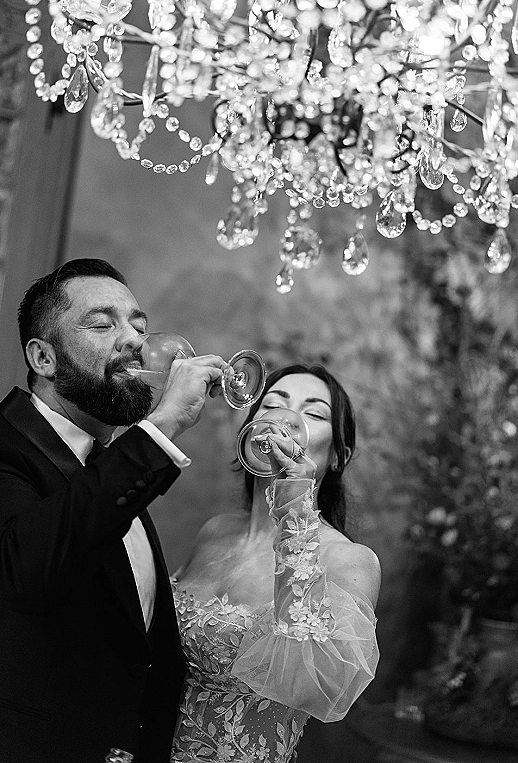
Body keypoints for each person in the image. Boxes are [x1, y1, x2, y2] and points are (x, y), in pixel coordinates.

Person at [0, 258, 229, 763]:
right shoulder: (6, 448)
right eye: (103, 325)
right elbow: (31, 568)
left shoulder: (109, 467)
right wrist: (164, 423)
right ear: (43, 357)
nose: (133, 341)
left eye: (139, 326)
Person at [171, 363, 381, 763]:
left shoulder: (351, 560)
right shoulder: (214, 532)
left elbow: (315, 686)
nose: (285, 420)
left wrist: (296, 505)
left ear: (338, 455)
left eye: (314, 413)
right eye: (271, 404)